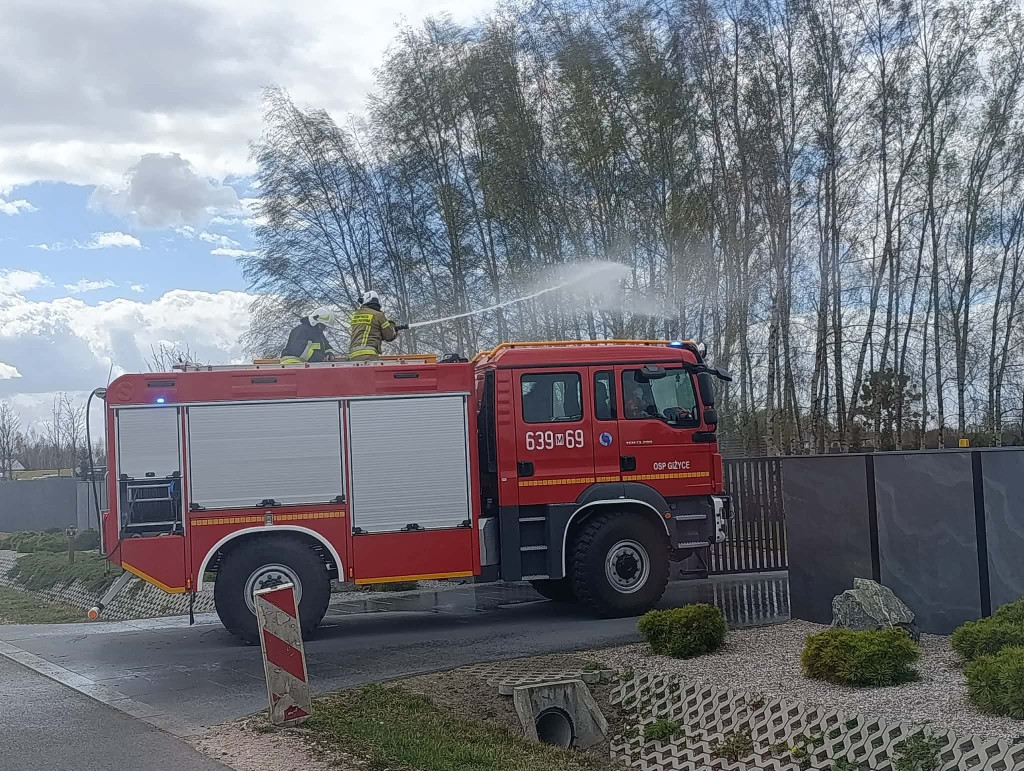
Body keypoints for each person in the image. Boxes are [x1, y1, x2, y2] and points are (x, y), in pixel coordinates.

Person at [348, 290, 408, 360]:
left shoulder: (355, 315)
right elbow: (389, 336)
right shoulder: (378, 315)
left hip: (353, 356)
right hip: (369, 355)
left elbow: (369, 331)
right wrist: (392, 327)